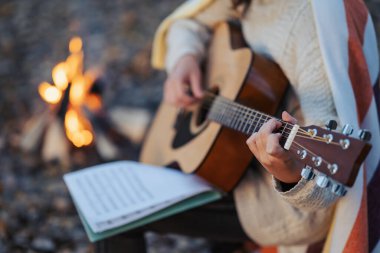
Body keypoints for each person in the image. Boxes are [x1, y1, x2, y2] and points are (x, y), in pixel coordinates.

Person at [96, 0, 380, 252]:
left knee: (114, 215)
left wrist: (287, 172)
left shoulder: (310, 20)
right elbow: (187, 22)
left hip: (279, 204)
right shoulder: (244, 2)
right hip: (233, 162)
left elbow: (327, 189)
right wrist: (185, 58)